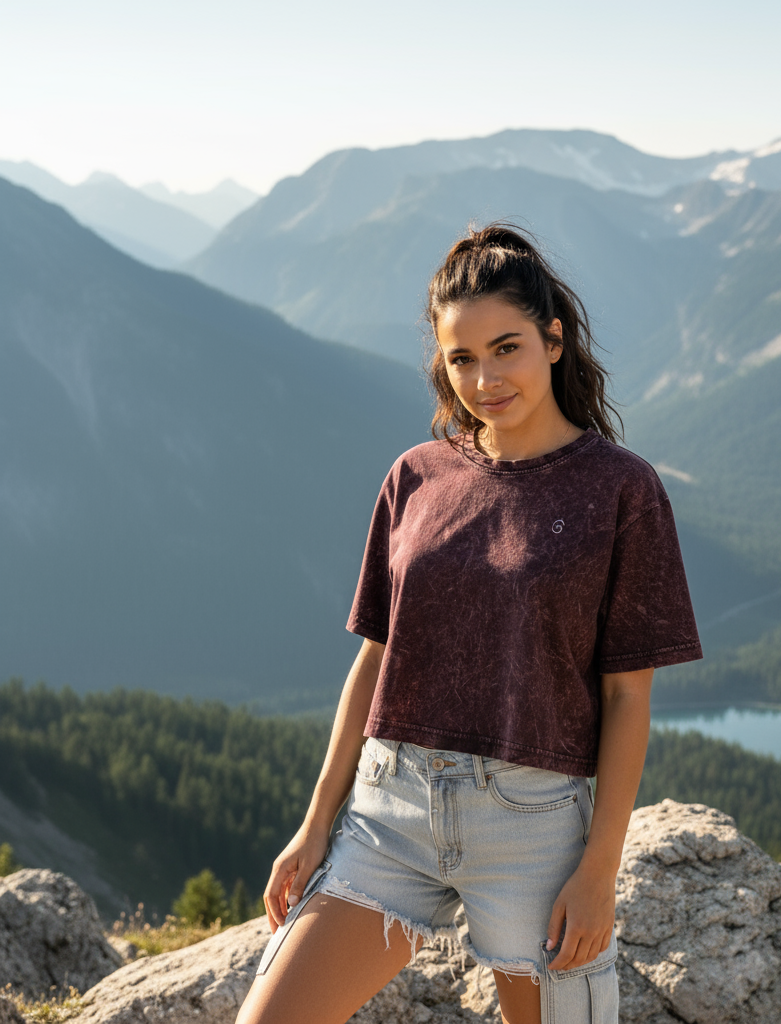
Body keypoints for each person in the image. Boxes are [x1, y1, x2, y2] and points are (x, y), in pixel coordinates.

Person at [236, 224, 702, 1024]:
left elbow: (628, 697)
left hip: (533, 829)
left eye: (506, 348)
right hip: (390, 810)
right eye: (461, 359)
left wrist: (599, 871)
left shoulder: (621, 491)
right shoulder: (415, 477)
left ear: (553, 339)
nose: (485, 380)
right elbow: (375, 660)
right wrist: (315, 826)